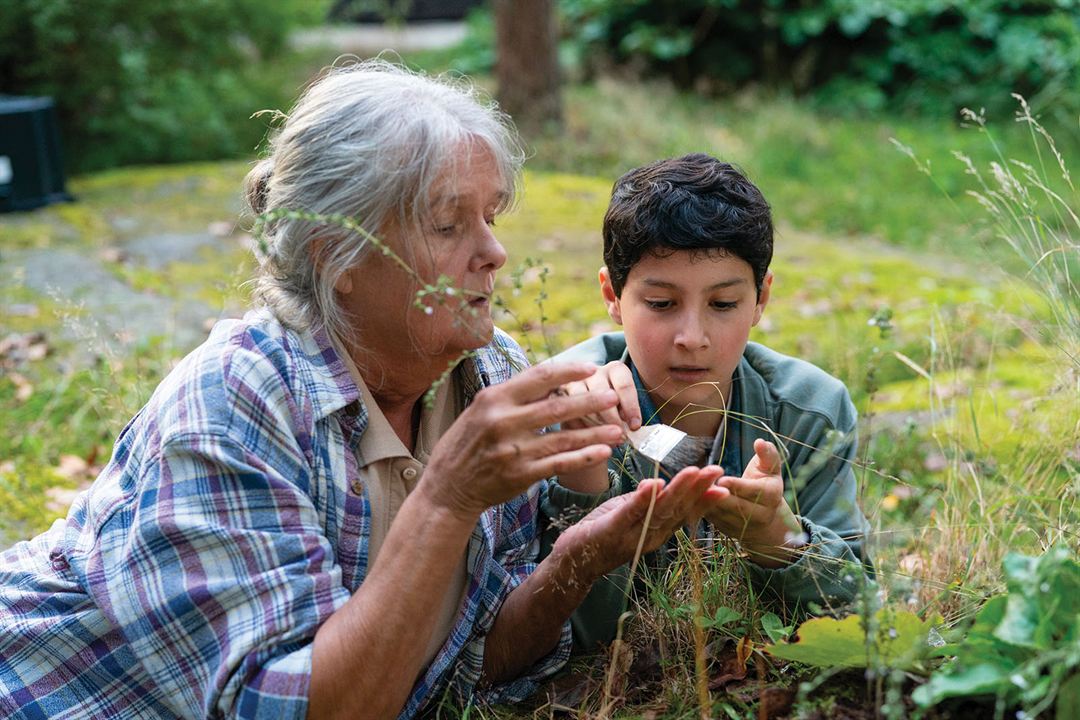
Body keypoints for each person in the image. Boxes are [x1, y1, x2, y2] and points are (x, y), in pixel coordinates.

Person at [0, 64, 732, 720]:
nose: (495, 252)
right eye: (449, 223)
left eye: (492, 216)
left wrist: (580, 554)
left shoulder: (487, 370)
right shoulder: (235, 402)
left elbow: (467, 670)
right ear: (335, 254)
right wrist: (446, 498)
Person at [540, 153, 874, 652]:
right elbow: (556, 638)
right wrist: (584, 476)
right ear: (612, 294)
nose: (692, 338)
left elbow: (862, 618)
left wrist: (776, 539)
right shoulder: (556, 401)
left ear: (761, 298)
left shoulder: (810, 409)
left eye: (722, 305)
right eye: (661, 304)